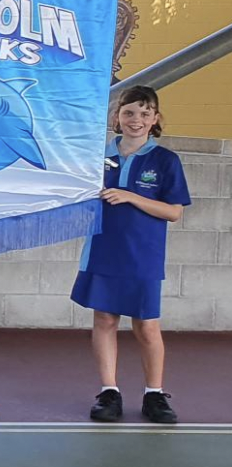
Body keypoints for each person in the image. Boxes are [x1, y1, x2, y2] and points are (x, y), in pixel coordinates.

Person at [73, 85, 187, 424]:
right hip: (102, 249)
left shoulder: (165, 160)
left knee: (147, 325)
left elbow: (174, 212)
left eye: (144, 113)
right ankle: (109, 392)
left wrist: (131, 196)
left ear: (155, 119)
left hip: (143, 255)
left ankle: (154, 394)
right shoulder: (96, 157)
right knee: (105, 320)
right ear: (117, 117)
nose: (136, 119)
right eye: (129, 112)